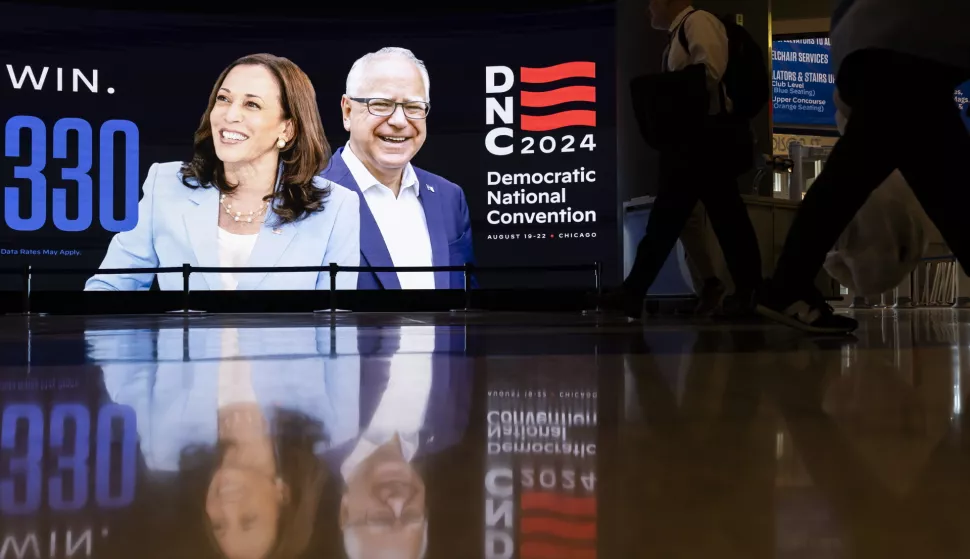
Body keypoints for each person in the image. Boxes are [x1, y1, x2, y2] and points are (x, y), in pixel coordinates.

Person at [756, 0, 970, 333]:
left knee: (943, 180)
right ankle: (786, 286)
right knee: (861, 176)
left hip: (881, 44)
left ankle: (787, 285)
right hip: (907, 48)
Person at [85, 53, 360, 292]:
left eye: (252, 104)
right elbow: (109, 287)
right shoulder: (165, 186)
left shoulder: (336, 207)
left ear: (286, 129)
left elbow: (336, 324)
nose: (229, 115)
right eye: (224, 99)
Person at [606, 0, 762, 319]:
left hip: (703, 139)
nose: (648, 10)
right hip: (697, 141)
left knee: (677, 217)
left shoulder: (698, 22)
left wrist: (664, 96)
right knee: (716, 216)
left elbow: (710, 70)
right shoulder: (680, 33)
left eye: (652, 3)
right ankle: (747, 289)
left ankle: (635, 290)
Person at [320, 47, 474, 291]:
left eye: (413, 107)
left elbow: (465, 304)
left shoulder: (449, 198)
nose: (399, 121)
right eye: (381, 104)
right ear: (347, 111)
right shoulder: (308, 197)